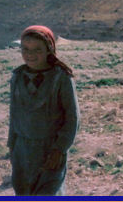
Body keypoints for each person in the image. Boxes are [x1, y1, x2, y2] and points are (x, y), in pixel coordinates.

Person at [8, 25, 79, 195]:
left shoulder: (61, 77)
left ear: (49, 50)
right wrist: (12, 145)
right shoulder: (17, 77)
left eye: (37, 49)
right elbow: (14, 114)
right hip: (22, 150)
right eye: (25, 49)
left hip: (50, 149)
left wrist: (59, 149)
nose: (30, 54)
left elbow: (72, 117)